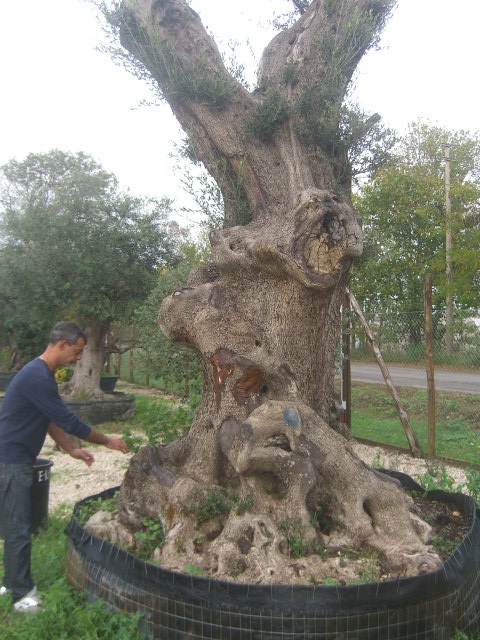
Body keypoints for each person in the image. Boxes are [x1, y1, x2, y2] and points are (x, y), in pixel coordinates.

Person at [0, 321, 129, 612]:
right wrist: (106, 440)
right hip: (10, 461)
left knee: (14, 524)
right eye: (78, 350)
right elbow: (69, 421)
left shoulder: (39, 374)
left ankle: (10, 581)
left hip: (13, 459)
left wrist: (70, 448)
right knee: (19, 527)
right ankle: (21, 595)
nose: (79, 357)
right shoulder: (38, 376)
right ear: (61, 345)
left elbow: (47, 418)